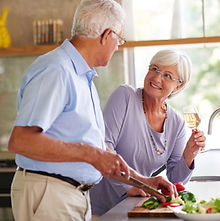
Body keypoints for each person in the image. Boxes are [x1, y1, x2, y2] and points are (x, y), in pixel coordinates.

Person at [8, 1, 177, 221]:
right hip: (51, 192)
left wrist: (142, 180)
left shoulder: (82, 76)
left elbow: (96, 148)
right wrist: (92, 154)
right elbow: (20, 141)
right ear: (107, 35)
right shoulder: (56, 70)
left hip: (70, 195)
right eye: (119, 39)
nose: (118, 46)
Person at [90, 49, 206, 215]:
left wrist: (190, 153)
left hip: (138, 207)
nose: (157, 77)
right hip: (101, 207)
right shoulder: (125, 97)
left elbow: (175, 181)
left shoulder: (177, 123)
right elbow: (103, 145)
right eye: (154, 69)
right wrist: (130, 184)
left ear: (178, 85)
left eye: (167, 75)